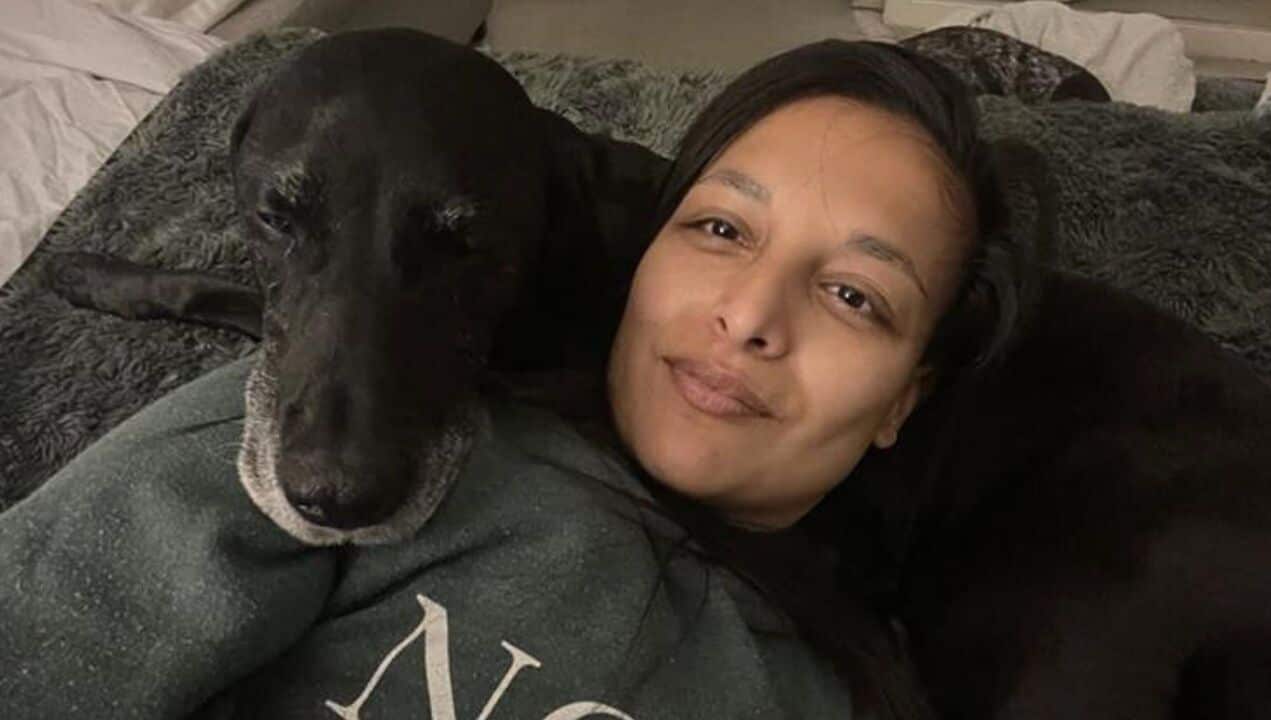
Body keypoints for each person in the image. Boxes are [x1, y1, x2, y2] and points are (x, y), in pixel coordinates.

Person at [0, 40, 1029, 720]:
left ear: (909, 390)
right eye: (720, 228)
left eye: (854, 294)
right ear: (647, 243)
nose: (750, 319)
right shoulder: (273, 460)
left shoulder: (847, 685)